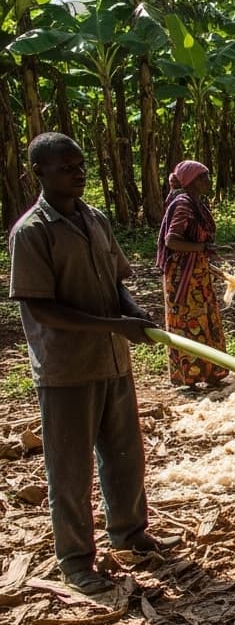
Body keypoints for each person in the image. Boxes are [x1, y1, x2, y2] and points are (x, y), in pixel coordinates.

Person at [8, 132, 162, 595]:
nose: (78, 173)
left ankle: (129, 534)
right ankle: (75, 561)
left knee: (125, 455)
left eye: (80, 165)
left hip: (112, 361)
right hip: (67, 370)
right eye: (66, 167)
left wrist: (132, 312)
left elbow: (116, 282)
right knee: (70, 469)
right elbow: (41, 309)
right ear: (39, 172)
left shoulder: (95, 219)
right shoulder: (32, 231)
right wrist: (113, 324)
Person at [156, 159, 228, 388]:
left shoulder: (197, 203)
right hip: (183, 277)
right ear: (191, 181)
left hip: (197, 272)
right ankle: (190, 377)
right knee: (188, 321)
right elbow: (171, 240)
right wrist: (201, 248)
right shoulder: (183, 204)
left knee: (206, 317)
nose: (208, 181)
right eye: (203, 177)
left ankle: (210, 372)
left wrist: (205, 252)